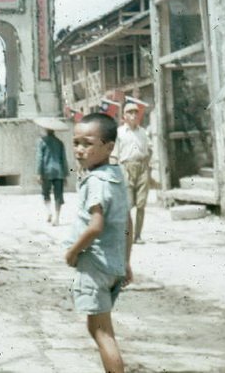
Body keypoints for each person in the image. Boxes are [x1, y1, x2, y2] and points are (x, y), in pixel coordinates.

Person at [65, 113, 133, 373]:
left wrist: (72, 252)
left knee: (102, 333)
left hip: (95, 266)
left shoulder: (95, 181)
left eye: (87, 144)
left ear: (109, 147)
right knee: (98, 328)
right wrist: (125, 261)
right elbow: (127, 222)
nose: (80, 150)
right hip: (112, 264)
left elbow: (95, 226)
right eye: (76, 143)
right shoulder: (115, 175)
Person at [112, 101, 151, 243]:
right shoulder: (120, 133)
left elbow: (149, 150)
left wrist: (146, 165)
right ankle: (126, 235)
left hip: (142, 168)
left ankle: (138, 236)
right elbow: (114, 154)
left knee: (141, 204)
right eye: (130, 112)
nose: (134, 115)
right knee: (128, 204)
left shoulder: (143, 132)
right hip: (126, 168)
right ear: (124, 116)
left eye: (136, 112)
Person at [35, 120, 69, 226]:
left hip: (46, 171)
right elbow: (64, 159)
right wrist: (66, 175)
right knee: (58, 195)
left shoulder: (42, 142)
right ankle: (57, 218)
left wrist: (38, 173)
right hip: (59, 171)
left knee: (46, 193)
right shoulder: (60, 143)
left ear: (46, 130)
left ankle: (49, 212)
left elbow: (39, 158)